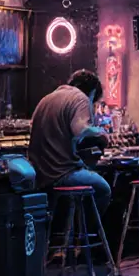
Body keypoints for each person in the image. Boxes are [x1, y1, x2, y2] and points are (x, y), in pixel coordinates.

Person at [29, 69, 111, 216]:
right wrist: (101, 133)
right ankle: (85, 236)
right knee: (103, 189)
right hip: (61, 174)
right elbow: (80, 129)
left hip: (40, 176)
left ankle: (71, 232)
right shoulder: (80, 98)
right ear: (92, 92)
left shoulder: (48, 98)